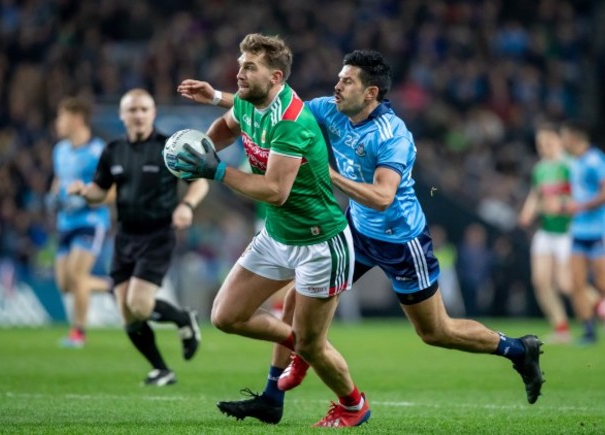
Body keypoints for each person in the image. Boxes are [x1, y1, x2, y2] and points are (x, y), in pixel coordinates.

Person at [177, 49, 545, 424]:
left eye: (347, 80)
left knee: (436, 331)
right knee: (294, 302)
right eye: (339, 77)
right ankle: (275, 395)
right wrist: (218, 98)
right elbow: (281, 103)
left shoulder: (391, 135)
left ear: (370, 94)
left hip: (400, 240)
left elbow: (384, 197)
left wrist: (326, 173)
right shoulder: (331, 108)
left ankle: (516, 349)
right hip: (355, 231)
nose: (337, 85)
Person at [171, 34, 371, 428]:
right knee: (227, 316)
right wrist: (200, 149)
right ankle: (302, 351)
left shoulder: (291, 122)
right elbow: (228, 125)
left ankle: (353, 405)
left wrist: (216, 171)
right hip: (278, 237)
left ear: (275, 76)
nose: (239, 74)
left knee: (313, 343)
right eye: (240, 65)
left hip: (321, 244)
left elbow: (275, 192)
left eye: (249, 67)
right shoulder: (248, 102)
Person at [67, 89, 207, 386]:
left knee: (140, 305)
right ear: (122, 115)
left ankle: (184, 319)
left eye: (144, 109)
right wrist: (84, 191)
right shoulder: (113, 150)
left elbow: (199, 183)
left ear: (153, 113)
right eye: (132, 110)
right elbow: (99, 192)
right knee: (128, 314)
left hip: (157, 235)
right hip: (125, 236)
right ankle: (161, 369)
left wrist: (186, 205)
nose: (139, 115)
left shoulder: (169, 148)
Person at [47, 97, 112, 348]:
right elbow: (59, 178)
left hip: (91, 220)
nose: (58, 123)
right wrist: (53, 196)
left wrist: (87, 198)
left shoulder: (98, 151)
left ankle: (78, 333)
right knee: (65, 284)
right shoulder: (60, 150)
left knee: (77, 275)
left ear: (76, 119)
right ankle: (112, 286)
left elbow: (111, 188)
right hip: (66, 221)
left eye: (61, 117)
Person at [558, 120, 605, 344]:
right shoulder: (574, 162)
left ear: (574, 137)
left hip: (600, 230)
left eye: (564, 136)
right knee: (576, 283)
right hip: (579, 230)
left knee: (604, 284)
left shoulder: (596, 160)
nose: (562, 141)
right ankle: (588, 332)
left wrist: (581, 206)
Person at [518, 123, 574, 343]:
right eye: (540, 143)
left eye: (548, 142)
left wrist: (561, 204)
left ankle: (601, 304)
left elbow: (581, 197)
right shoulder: (540, 168)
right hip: (546, 230)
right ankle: (561, 327)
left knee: (566, 285)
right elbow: (536, 194)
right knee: (540, 281)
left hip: (567, 230)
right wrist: (527, 212)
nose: (544, 147)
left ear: (559, 141)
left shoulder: (569, 166)